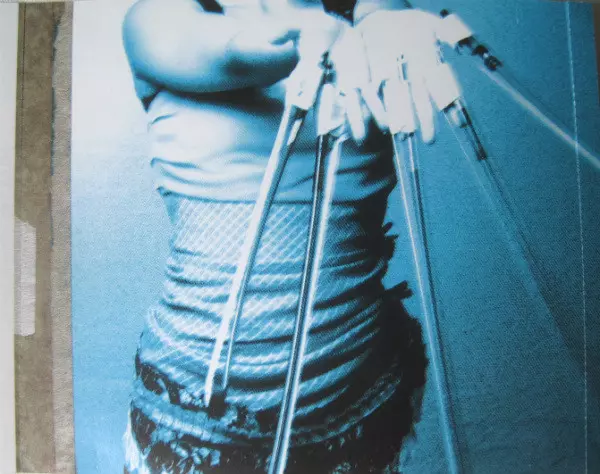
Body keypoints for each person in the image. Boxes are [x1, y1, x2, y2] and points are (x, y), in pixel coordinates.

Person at [121, 0, 452, 472]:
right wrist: (306, 36)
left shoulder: (371, 18)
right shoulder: (159, 17)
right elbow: (236, 53)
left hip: (359, 400)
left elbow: (388, 18)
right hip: (193, 416)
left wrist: (384, 24)